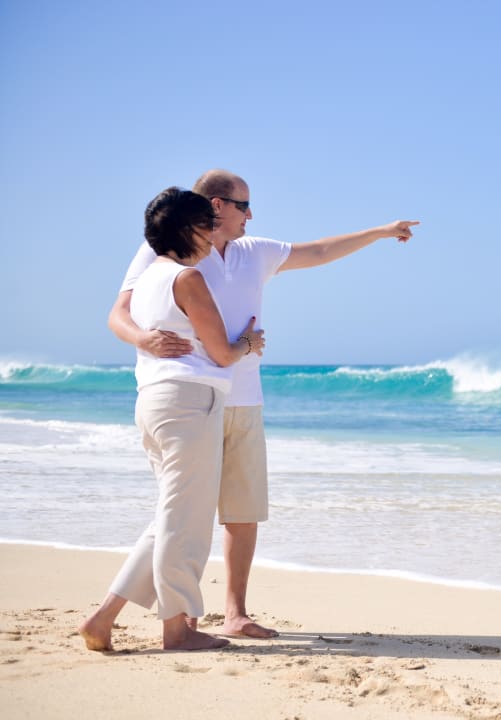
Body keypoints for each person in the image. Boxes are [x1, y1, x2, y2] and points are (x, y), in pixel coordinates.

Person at [106, 169, 419, 638]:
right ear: (216, 206)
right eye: (243, 205)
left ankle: (234, 613)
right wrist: (145, 340)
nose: (251, 214)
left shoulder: (256, 251)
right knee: (182, 512)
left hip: (242, 396)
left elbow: (319, 251)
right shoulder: (169, 251)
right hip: (189, 392)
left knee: (240, 508)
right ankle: (179, 618)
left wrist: (378, 232)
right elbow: (119, 312)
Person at [80, 188, 267, 651]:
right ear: (189, 229)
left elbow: (124, 321)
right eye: (207, 226)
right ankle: (177, 628)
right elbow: (222, 353)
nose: (212, 236)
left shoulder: (145, 280)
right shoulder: (187, 279)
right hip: (190, 402)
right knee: (188, 521)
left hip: (153, 401)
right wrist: (250, 343)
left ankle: (103, 618)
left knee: (172, 515)